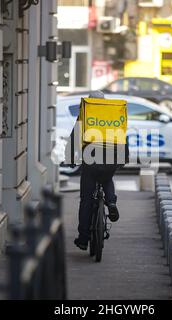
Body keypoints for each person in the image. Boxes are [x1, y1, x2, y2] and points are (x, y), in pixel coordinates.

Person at [70, 91, 129, 251]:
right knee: (107, 178)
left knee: (86, 200)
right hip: (112, 157)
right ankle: (111, 201)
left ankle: (83, 239)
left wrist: (70, 158)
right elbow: (123, 135)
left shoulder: (87, 113)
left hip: (91, 160)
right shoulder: (113, 114)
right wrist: (124, 158)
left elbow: (75, 137)